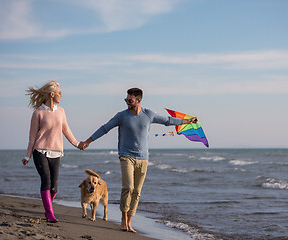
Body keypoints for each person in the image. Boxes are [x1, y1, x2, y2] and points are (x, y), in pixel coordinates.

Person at [79, 88, 197, 232]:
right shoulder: (121, 116)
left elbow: (168, 121)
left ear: (138, 100)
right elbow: (105, 128)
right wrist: (88, 141)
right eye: (126, 100)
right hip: (126, 156)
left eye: (130, 101)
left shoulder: (149, 114)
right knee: (128, 187)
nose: (127, 103)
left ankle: (129, 221)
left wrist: (187, 121)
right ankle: (123, 219)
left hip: (143, 158)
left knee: (137, 191)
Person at [22, 81, 81, 223]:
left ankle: (47, 206)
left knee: (54, 188)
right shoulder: (38, 113)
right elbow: (32, 137)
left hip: (56, 152)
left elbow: (66, 130)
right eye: (60, 93)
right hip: (40, 151)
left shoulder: (61, 111)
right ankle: (49, 214)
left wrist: (78, 144)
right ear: (52, 94)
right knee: (46, 180)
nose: (61, 95)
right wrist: (28, 155)